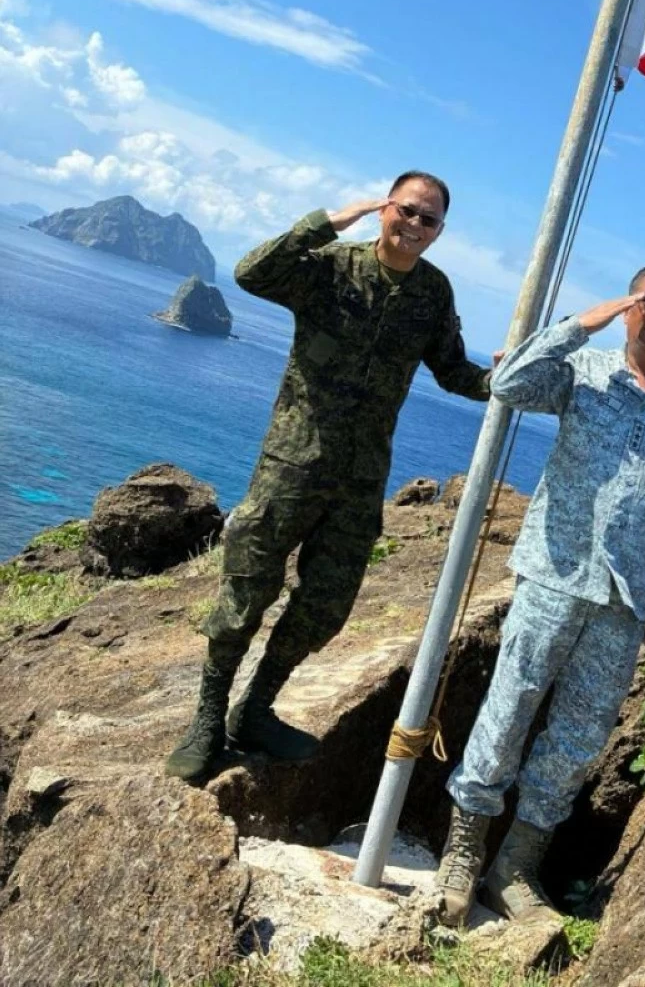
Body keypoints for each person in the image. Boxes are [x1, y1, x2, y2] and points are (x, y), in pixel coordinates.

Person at [165, 174, 492, 783]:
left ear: (440, 231)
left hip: (360, 478)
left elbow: (452, 371)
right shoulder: (331, 268)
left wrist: (508, 381)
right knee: (245, 593)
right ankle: (207, 723)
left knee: (324, 606)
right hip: (292, 463)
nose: (415, 226)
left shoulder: (432, 294)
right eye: (407, 211)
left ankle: (254, 712)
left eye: (429, 220)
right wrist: (329, 220)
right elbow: (251, 273)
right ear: (384, 209)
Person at [435, 266, 645, 924]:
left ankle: (515, 868)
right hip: (555, 573)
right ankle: (463, 852)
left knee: (580, 735)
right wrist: (578, 324)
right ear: (628, 307)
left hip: (628, 599)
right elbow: (506, 386)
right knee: (509, 708)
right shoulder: (585, 370)